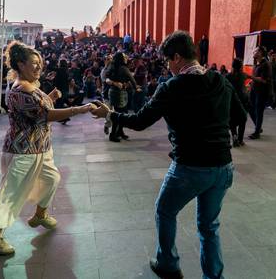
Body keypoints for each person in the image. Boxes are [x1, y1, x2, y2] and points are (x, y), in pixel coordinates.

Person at [91, 31, 247, 279]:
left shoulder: (172, 87)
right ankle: (214, 276)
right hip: (223, 167)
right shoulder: (220, 80)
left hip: (190, 166)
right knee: (209, 227)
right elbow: (239, 116)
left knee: (164, 210)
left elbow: (140, 121)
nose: (167, 66)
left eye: (167, 61)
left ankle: (168, 263)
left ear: (176, 57)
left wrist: (109, 114)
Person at [0, 42, 94, 255]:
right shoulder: (21, 89)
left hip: (40, 147)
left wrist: (50, 98)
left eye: (40, 63)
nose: (38, 67)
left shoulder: (31, 85)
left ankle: (40, 214)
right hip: (22, 151)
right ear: (20, 64)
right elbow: (45, 116)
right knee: (11, 193)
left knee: (52, 179)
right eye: (34, 64)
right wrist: (79, 109)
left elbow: (39, 111)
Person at [105, 52, 137, 142]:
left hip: (112, 92)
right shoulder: (124, 68)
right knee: (120, 114)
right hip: (120, 93)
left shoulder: (111, 66)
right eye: (124, 57)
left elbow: (106, 78)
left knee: (118, 113)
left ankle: (119, 132)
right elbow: (132, 79)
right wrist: (136, 88)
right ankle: (113, 135)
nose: (125, 58)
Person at [246, 46, 272, 139]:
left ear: (260, 53)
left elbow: (264, 80)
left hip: (262, 92)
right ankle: (258, 126)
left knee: (259, 111)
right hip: (254, 90)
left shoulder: (266, 64)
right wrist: (250, 84)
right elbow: (256, 77)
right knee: (250, 107)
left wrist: (250, 77)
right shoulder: (257, 64)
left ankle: (257, 132)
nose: (254, 52)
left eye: (256, 51)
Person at [226, 58, 249, 147]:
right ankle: (240, 139)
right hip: (242, 100)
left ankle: (234, 136)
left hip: (232, 100)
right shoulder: (243, 75)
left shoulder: (228, 76)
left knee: (232, 120)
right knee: (243, 119)